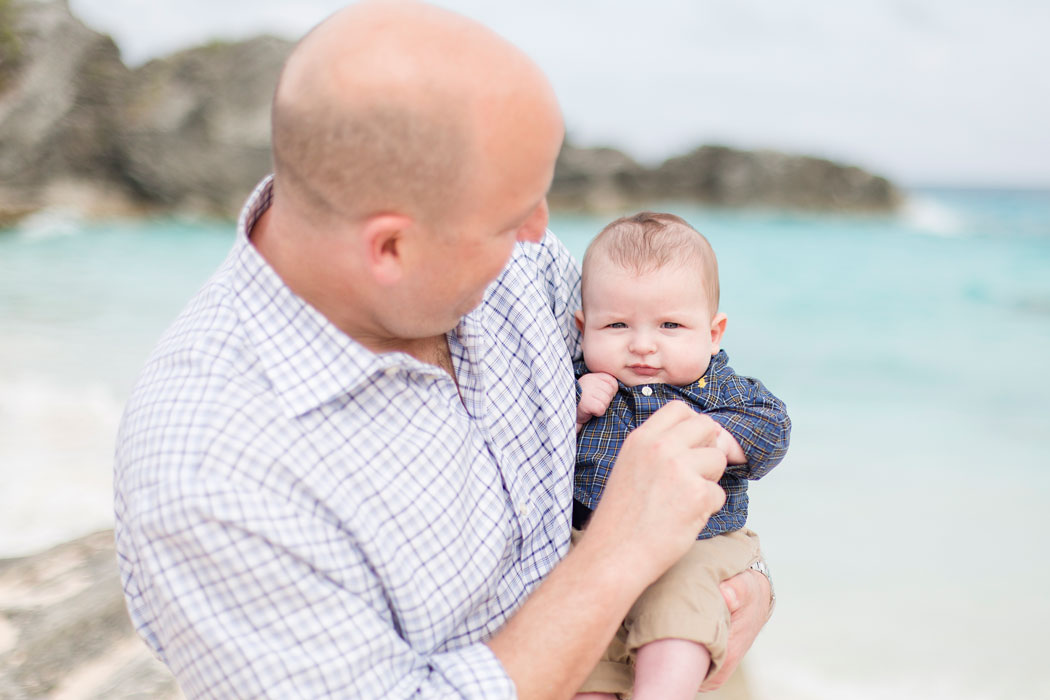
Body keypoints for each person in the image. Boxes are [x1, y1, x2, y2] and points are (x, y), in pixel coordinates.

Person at [112, 2, 772, 698]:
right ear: (392, 247)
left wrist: (739, 576)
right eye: (512, 215)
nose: (539, 234)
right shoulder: (211, 479)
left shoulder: (508, 263)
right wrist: (617, 556)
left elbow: (664, 386)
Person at [569, 213, 790, 700]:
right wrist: (575, 407)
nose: (643, 344)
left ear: (714, 333)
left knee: (681, 611)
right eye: (617, 324)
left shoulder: (723, 391)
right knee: (585, 648)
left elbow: (772, 427)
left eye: (671, 325)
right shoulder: (579, 384)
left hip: (697, 544)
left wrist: (715, 440)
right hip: (592, 545)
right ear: (583, 328)